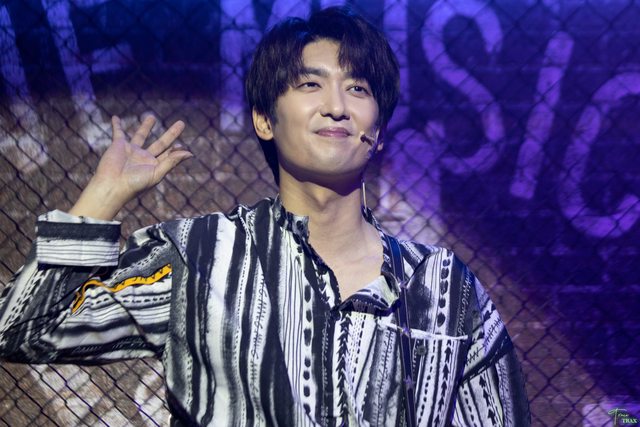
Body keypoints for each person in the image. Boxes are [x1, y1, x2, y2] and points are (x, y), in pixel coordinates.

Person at [0, 6, 530, 426]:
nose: (337, 105)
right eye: (310, 84)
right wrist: (102, 196)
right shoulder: (198, 259)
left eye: (358, 88)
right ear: (263, 120)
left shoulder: (444, 287)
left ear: (379, 129)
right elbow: (20, 329)